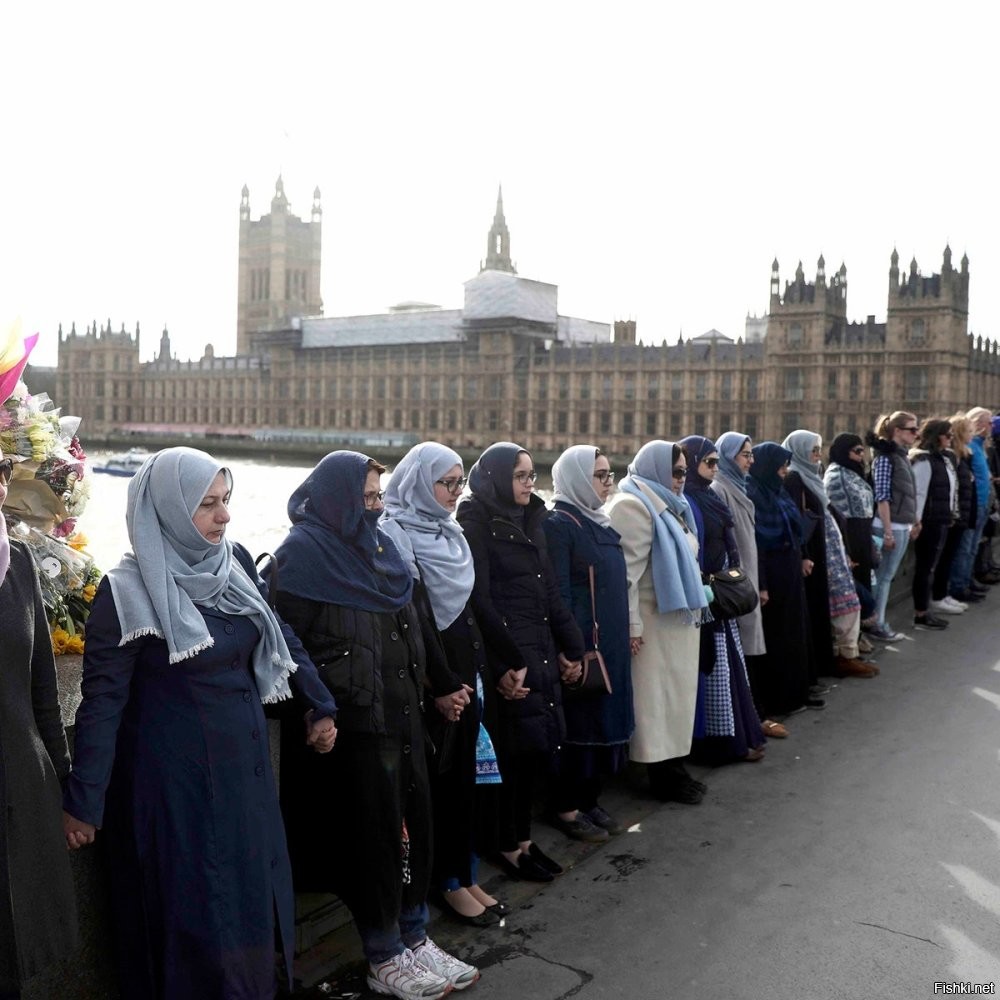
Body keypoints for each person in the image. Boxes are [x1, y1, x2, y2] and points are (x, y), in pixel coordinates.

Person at [62, 447, 338, 1000]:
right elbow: (102, 704)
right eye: (207, 505)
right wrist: (83, 804)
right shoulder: (126, 593)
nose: (225, 516)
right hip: (178, 798)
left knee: (250, 911)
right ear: (166, 509)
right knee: (197, 925)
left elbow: (277, 633)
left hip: (245, 784)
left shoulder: (230, 563)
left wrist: (318, 701)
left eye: (226, 501)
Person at [273, 451, 479, 999]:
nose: (375, 506)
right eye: (366, 497)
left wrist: (437, 684)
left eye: (379, 496)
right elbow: (285, 645)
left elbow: (415, 621)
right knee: (374, 840)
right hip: (358, 723)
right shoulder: (303, 554)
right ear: (337, 496)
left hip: (404, 710)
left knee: (418, 827)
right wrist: (316, 705)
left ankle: (414, 935)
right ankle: (382, 951)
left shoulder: (383, 547)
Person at [380, 442, 505, 928]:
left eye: (459, 483)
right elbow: (416, 617)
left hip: (466, 672)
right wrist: (443, 683)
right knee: (440, 787)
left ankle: (466, 872)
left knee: (467, 782)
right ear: (417, 482)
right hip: (435, 681)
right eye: (445, 483)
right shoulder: (396, 534)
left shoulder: (449, 532)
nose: (455, 493)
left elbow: (469, 607)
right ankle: (445, 883)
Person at [457, 443, 586, 881]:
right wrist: (504, 664)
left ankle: (525, 840)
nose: (531, 483)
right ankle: (507, 845)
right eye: (522, 476)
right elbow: (480, 599)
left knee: (534, 751)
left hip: (541, 648)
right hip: (511, 656)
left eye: (534, 475)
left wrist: (574, 646)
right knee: (510, 755)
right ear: (496, 477)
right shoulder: (475, 521)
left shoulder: (533, 519)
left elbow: (550, 590)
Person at [1, 437, 78, 1000]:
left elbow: (43, 692)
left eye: (1, 468)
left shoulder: (20, 562)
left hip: (16, 792)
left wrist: (68, 792)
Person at [608, 441, 710, 803]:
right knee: (656, 706)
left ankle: (674, 768)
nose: (681, 479)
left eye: (684, 471)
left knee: (676, 702)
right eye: (676, 471)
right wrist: (632, 627)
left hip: (676, 623)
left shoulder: (669, 505)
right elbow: (626, 578)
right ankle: (661, 775)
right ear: (653, 468)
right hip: (652, 627)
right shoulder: (632, 506)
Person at [542, 445, 634, 839]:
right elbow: (558, 591)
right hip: (583, 645)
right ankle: (565, 807)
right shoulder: (560, 523)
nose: (607, 481)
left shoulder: (597, 520)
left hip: (608, 641)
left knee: (601, 720)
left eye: (609, 474)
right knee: (580, 725)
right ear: (579, 478)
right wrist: (570, 648)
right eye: (599, 475)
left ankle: (590, 798)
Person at [680, 435, 767, 764]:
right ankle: (718, 743)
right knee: (713, 671)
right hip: (706, 598)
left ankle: (737, 735)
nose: (715, 469)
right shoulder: (690, 498)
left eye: (718, 462)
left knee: (729, 669)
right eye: (709, 462)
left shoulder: (706, 496)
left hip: (721, 594)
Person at [711, 431, 787, 739]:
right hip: (734, 586)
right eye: (745, 455)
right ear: (729, 457)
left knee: (749, 651)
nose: (750, 461)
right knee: (740, 654)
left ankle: (754, 715)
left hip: (749, 582)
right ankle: (750, 718)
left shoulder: (739, 487)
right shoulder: (720, 489)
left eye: (752, 455)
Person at [783, 430, 876, 680]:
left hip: (833, 551)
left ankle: (846, 654)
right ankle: (843, 657)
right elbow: (798, 521)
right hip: (818, 551)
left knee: (846, 602)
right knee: (841, 604)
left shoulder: (812, 476)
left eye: (818, 449)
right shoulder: (795, 479)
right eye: (812, 450)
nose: (816, 455)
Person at [746, 443, 815, 718]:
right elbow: (757, 545)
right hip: (772, 576)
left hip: (789, 572)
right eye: (781, 466)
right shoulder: (753, 493)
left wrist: (802, 557)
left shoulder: (778, 492)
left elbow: (793, 528)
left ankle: (797, 693)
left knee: (793, 633)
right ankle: (777, 700)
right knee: (776, 638)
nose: (785, 471)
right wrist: (761, 584)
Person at [867, 411, 920, 641]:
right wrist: (887, 532)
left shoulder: (901, 456)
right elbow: (883, 497)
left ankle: (877, 622)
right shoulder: (885, 458)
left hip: (900, 525)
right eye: (912, 429)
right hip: (886, 526)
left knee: (886, 576)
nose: (916, 434)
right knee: (882, 577)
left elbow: (907, 494)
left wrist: (914, 521)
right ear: (897, 431)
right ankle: (876, 624)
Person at [909, 418, 958, 629]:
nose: (951, 439)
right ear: (937, 436)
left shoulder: (942, 459)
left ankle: (925, 610)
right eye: (948, 435)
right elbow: (918, 494)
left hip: (940, 519)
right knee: (925, 568)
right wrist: (916, 522)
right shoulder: (924, 460)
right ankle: (921, 613)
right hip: (928, 522)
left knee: (930, 567)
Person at [949, 407, 993, 600]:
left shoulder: (980, 445)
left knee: (973, 547)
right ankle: (959, 586)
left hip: (982, 503)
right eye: (989, 422)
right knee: (965, 548)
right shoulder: (968, 449)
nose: (992, 426)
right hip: (972, 505)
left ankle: (967, 581)